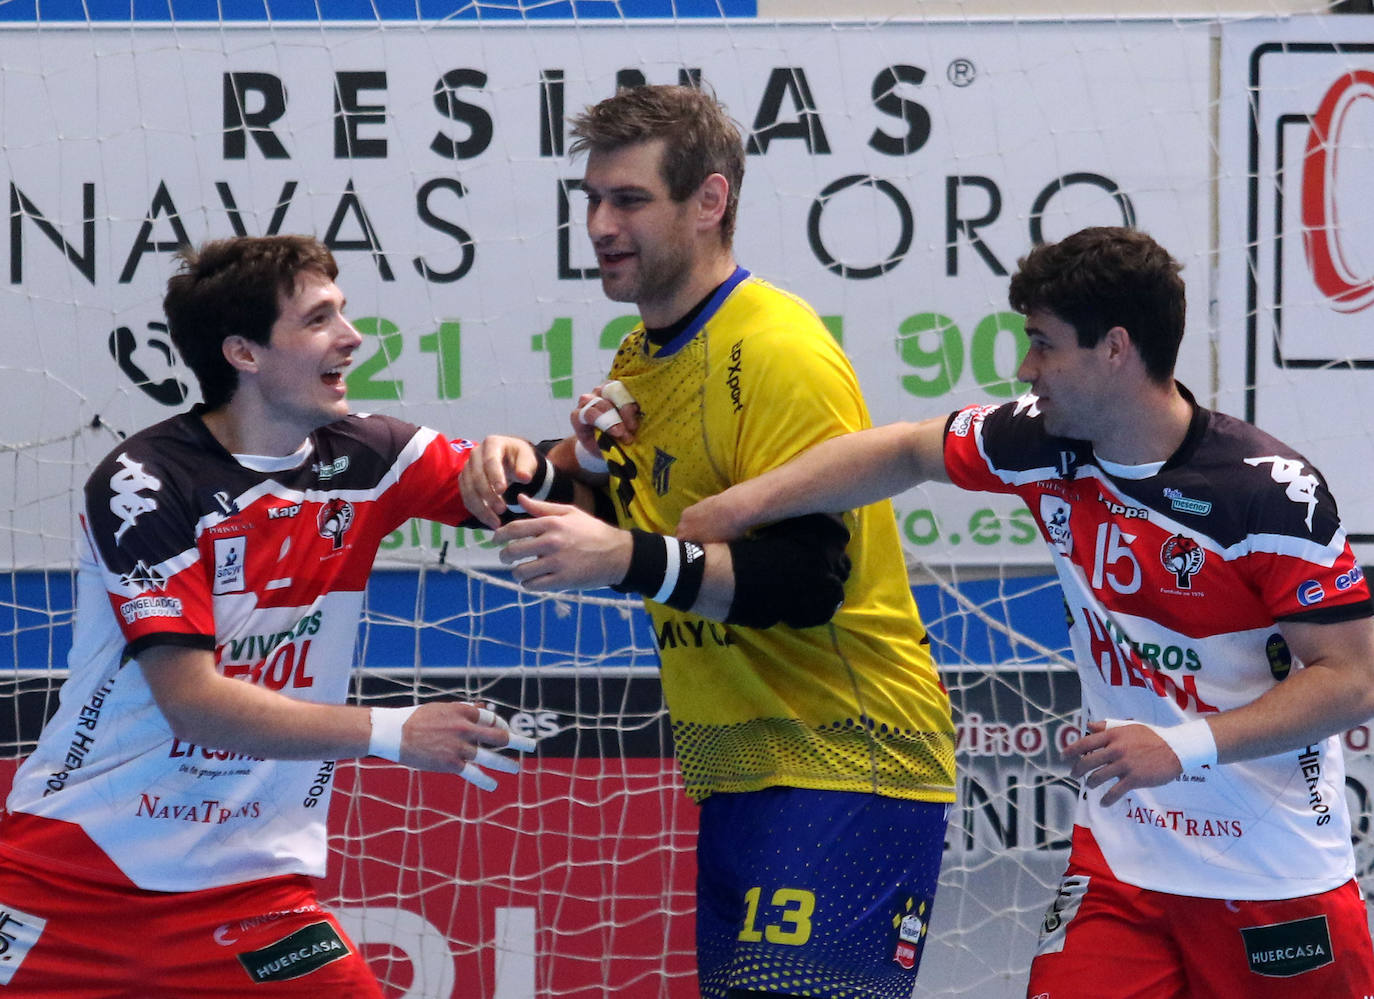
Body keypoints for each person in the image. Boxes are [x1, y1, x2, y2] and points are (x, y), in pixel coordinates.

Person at [675, 226, 1374, 998]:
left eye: (1044, 345)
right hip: (1123, 866)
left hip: (1276, 875)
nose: (1025, 368)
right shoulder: (1041, 443)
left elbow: (1354, 677)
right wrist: (736, 508)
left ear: (1115, 348)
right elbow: (906, 450)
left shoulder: (1265, 493)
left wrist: (1185, 745)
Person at [459, 85, 956, 999]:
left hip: (846, 757)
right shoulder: (640, 356)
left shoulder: (774, 351)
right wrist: (514, 468)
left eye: (631, 200)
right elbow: (612, 501)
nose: (601, 224)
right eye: (592, 199)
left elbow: (808, 580)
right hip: (745, 764)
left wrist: (623, 562)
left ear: (710, 201)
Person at [0, 235, 543, 997]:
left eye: (343, 312)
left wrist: (530, 459)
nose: (353, 338)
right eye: (319, 319)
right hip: (73, 873)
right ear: (244, 353)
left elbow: (532, 495)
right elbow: (195, 704)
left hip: (250, 887)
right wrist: (395, 731)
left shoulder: (369, 457)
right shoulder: (144, 484)